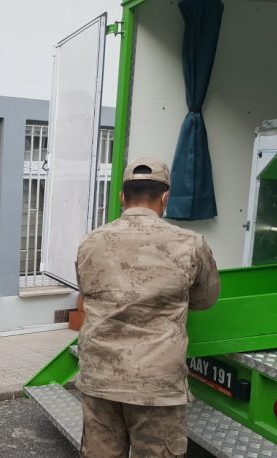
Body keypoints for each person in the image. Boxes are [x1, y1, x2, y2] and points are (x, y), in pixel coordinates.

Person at [75, 157, 220, 457]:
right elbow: (206, 299)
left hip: (100, 378)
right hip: (157, 385)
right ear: (165, 198)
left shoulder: (91, 242)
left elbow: (88, 293)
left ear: (122, 196)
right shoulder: (190, 243)